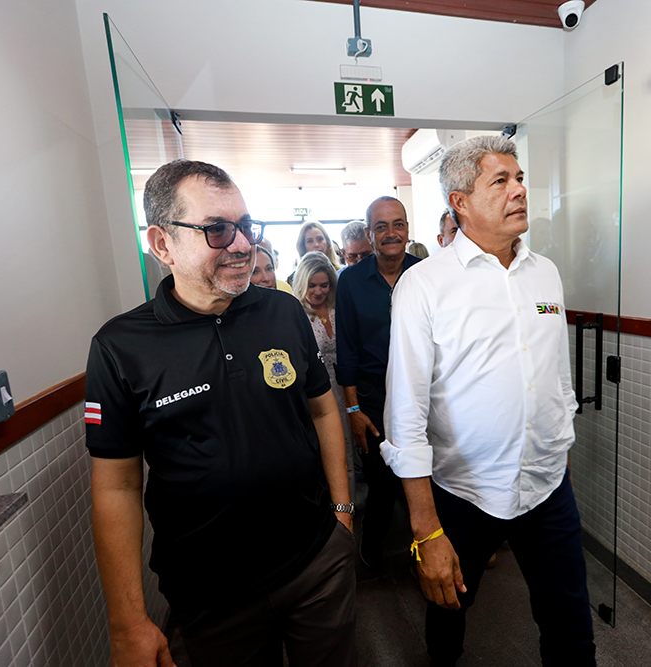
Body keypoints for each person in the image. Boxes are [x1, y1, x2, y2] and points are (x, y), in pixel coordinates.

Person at [86, 159, 356, 667]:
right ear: (163, 244)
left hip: (317, 561)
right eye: (216, 229)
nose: (242, 244)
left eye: (245, 225)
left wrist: (342, 513)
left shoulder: (282, 311)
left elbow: (323, 411)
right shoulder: (121, 347)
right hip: (211, 595)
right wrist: (126, 621)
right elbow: (116, 485)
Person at [382, 136, 597, 666]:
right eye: (500, 181)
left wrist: (561, 451)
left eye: (519, 178)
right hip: (465, 492)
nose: (519, 190)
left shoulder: (545, 273)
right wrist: (426, 530)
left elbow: (557, 378)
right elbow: (405, 415)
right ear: (460, 201)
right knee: (448, 615)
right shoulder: (424, 285)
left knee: (570, 626)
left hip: (547, 486)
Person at [335, 196, 420, 569]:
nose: (391, 233)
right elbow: (347, 351)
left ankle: (425, 551)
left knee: (421, 475)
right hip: (372, 396)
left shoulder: (425, 274)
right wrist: (353, 409)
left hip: (420, 394)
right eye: (381, 226)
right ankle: (371, 550)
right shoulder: (351, 281)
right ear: (369, 234)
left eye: (397, 224)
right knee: (381, 481)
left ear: (407, 229)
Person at [293, 250, 356, 500]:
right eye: (312, 285)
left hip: (345, 388)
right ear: (302, 283)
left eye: (324, 285)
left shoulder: (339, 308)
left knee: (348, 450)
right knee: (325, 451)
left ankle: (349, 506)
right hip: (315, 394)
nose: (318, 291)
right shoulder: (296, 314)